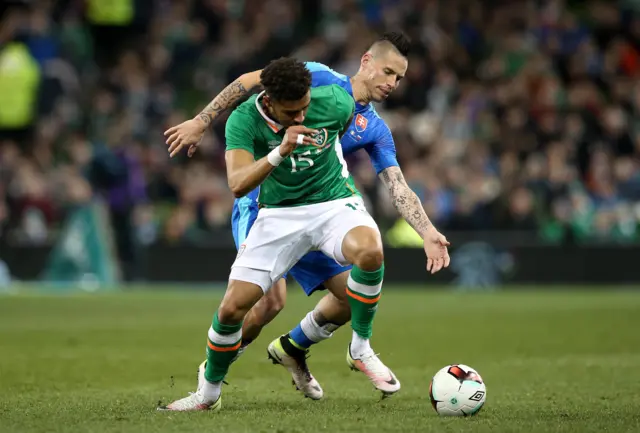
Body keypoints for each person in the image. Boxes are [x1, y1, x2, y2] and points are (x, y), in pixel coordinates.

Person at [164, 33, 450, 401]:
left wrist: (426, 230)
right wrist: (203, 120)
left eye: (399, 78)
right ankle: (214, 373)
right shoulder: (316, 78)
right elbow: (249, 82)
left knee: (351, 297)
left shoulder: (371, 125)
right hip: (265, 203)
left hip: (324, 206)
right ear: (366, 62)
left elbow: (396, 184)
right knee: (269, 302)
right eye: (388, 72)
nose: (392, 83)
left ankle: (293, 349)